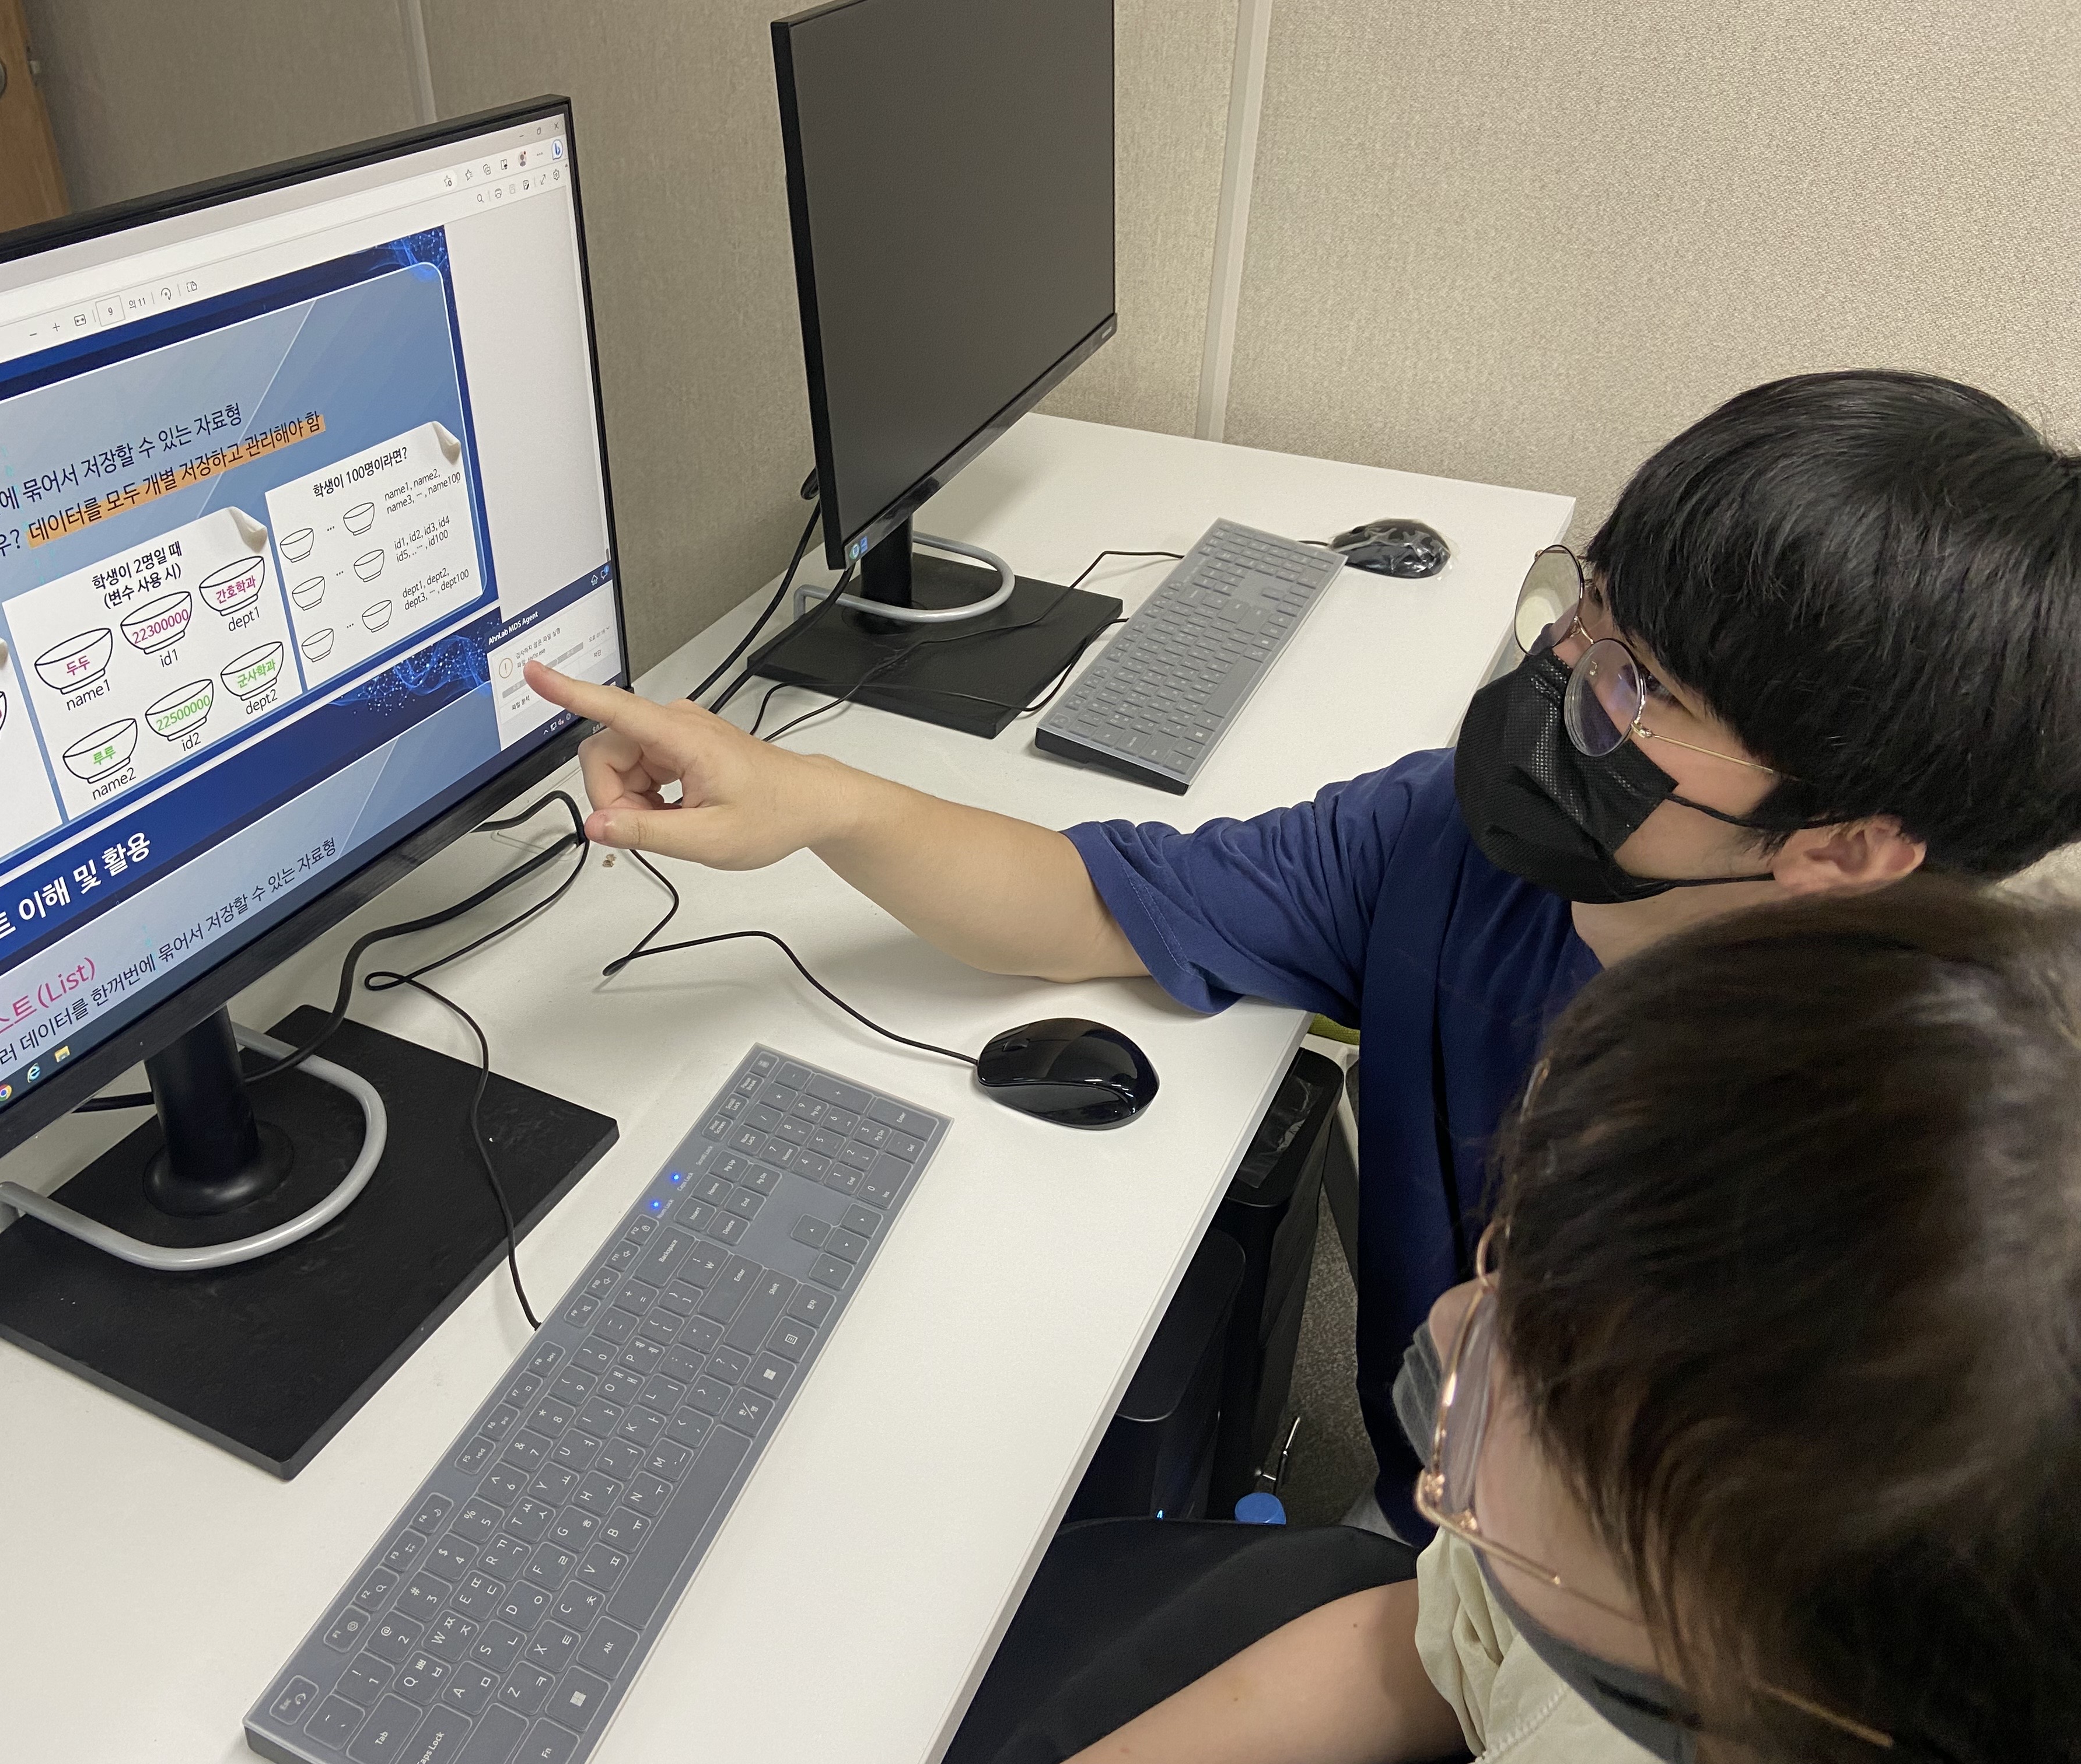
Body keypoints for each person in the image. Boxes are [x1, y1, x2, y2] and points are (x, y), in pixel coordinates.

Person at [527, 369, 2081, 1531]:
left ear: (1845, 847)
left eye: (1640, 689)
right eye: (1589, 610)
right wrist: (814, 801)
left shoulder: (1911, 1211)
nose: (1562, 675)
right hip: (1446, 1555)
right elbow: (1100, 900)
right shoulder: (1467, 851)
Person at [967, 880, 2081, 1763]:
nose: (1453, 1319)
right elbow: (1452, 1649)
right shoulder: (1648, 1596)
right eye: (1517, 1256)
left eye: (1554, 1385)